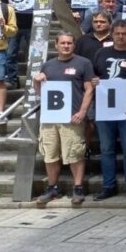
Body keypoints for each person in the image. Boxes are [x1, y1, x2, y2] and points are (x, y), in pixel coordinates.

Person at [33, 33, 94, 206]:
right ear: (56, 45)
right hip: (50, 117)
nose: (66, 46)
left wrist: (83, 111)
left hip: (72, 117)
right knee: (50, 154)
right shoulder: (48, 65)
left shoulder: (84, 63)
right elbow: (41, 93)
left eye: (69, 43)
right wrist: (36, 82)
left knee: (75, 153)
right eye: (63, 43)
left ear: (74, 45)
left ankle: (78, 187)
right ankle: (52, 187)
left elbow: (89, 89)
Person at [91, 19, 126, 200]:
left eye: (124, 34)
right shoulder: (101, 53)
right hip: (104, 109)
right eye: (117, 34)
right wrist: (94, 81)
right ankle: (109, 186)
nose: (121, 37)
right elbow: (94, 78)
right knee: (106, 149)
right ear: (112, 34)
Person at [0, 0, 45, 89]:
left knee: (35, 54)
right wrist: (8, 5)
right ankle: (12, 80)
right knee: (10, 54)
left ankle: (33, 82)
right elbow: (1, 5)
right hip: (13, 25)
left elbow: (47, 5)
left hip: (33, 25)